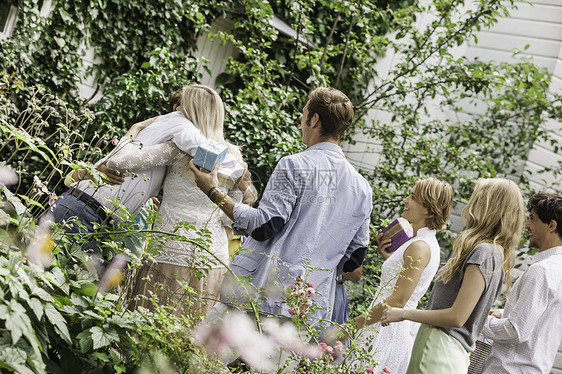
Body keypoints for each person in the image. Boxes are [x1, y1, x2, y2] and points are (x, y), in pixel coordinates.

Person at [188, 87, 373, 324]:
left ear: (314, 119)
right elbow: (354, 258)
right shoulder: (363, 188)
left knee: (202, 356)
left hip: (260, 295)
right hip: (308, 306)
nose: (300, 119)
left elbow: (265, 225)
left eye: (304, 112)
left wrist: (212, 191)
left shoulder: (294, 165)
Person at [51, 86, 240, 269]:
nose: (175, 108)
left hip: (93, 215)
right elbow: (116, 162)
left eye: (181, 103)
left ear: (194, 109)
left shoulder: (178, 127)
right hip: (85, 211)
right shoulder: (175, 133)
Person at [106, 84, 252, 315]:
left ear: (191, 111)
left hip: (168, 251)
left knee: (150, 331)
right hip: (213, 257)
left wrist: (133, 131)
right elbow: (230, 217)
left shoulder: (175, 149)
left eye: (182, 105)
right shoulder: (232, 156)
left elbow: (116, 162)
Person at [380, 178, 525, 374]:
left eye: (477, 198)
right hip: (443, 349)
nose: (470, 204)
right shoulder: (495, 252)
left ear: (487, 206)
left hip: (439, 349)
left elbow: (457, 317)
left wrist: (403, 314)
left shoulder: (484, 252)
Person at [342, 177, 454, 373]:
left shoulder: (419, 246)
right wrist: (391, 259)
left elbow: (398, 299)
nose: (405, 200)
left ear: (427, 209)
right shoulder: (423, 242)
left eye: (412, 197)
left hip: (386, 328)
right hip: (385, 324)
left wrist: (350, 328)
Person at [481, 192, 562, 374]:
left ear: (551, 225)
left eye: (532, 219)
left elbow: (516, 331)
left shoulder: (542, 270)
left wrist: (475, 319)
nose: (526, 225)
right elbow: (543, 315)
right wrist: (503, 313)